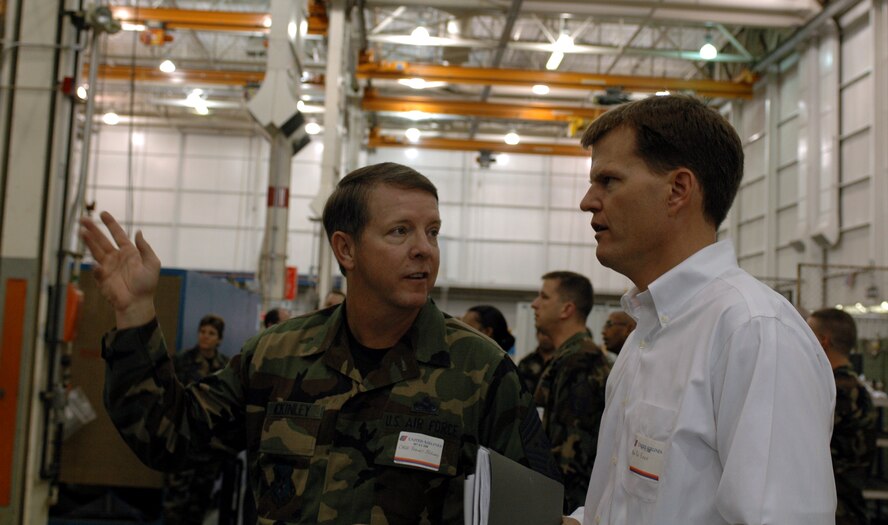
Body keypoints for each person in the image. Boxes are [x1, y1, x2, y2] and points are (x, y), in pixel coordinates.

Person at [80, 161, 560, 524]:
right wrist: (136, 313)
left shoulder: (479, 371)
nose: (424, 248)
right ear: (345, 249)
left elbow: (533, 509)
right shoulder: (277, 356)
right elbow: (170, 438)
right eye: (400, 231)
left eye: (432, 232)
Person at [566, 94, 836, 525]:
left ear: (677, 190)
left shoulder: (753, 332)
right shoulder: (645, 337)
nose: (588, 201)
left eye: (609, 181)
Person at [531, 270, 610, 513]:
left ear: (566, 309)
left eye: (544, 297)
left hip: (569, 507)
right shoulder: (567, 357)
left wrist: (558, 512)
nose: (534, 304)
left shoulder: (580, 362)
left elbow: (572, 455)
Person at [808, 308, 877, 525]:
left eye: (807, 335)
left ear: (823, 341)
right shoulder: (855, 387)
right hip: (845, 505)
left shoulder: (837, 391)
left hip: (836, 508)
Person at [164, 314, 229, 525]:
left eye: (211, 333)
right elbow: (169, 396)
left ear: (219, 339)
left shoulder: (225, 367)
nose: (205, 337)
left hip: (210, 445)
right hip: (183, 440)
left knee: (200, 501)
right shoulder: (182, 361)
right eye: (202, 332)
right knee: (175, 501)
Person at [517, 329, 556, 394]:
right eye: (543, 334)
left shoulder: (561, 360)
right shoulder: (526, 362)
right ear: (537, 335)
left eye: (549, 334)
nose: (546, 337)